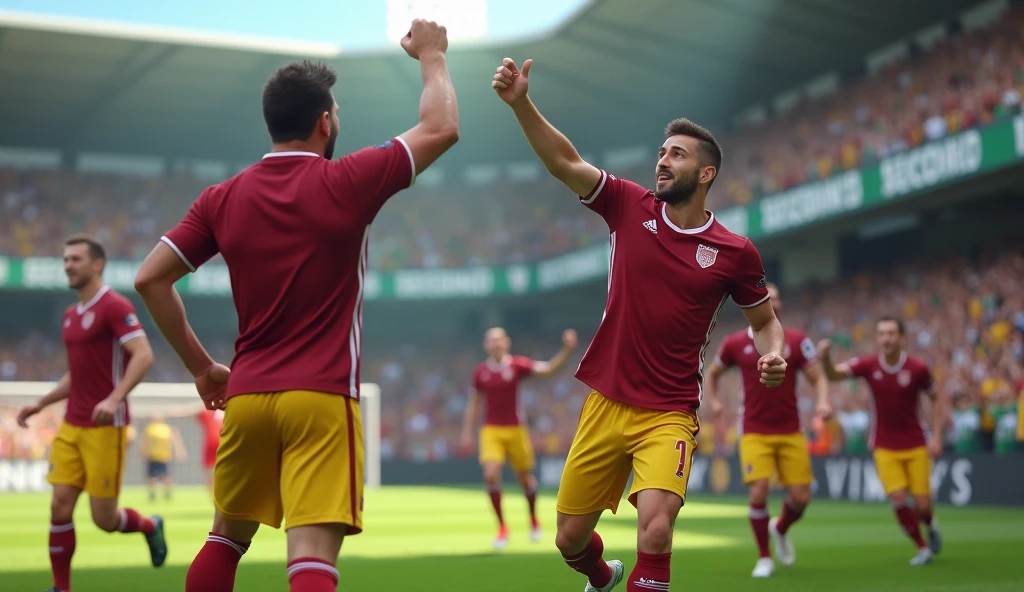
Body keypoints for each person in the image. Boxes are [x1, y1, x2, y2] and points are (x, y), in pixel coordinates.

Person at [133, 20, 459, 592]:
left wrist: (203, 368)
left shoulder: (221, 197)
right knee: (309, 557)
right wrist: (432, 55)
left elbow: (150, 280)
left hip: (249, 398)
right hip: (321, 395)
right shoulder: (347, 180)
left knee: (224, 541)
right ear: (325, 121)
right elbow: (442, 126)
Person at [492, 58, 788, 592]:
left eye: (677, 154)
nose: (662, 161)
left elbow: (765, 321)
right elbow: (564, 161)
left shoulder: (734, 252)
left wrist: (774, 352)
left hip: (670, 411)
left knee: (655, 531)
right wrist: (521, 104)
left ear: (706, 174)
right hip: (605, 400)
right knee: (568, 540)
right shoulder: (629, 206)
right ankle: (603, 577)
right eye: (661, 152)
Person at [16, 235, 165, 592]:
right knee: (59, 506)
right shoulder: (71, 316)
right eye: (65, 259)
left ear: (96, 264)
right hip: (72, 425)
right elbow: (76, 374)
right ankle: (60, 587)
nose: (68, 265)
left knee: (105, 519)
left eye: (75, 259)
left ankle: (149, 525)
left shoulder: (114, 305)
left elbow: (143, 355)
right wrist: (42, 402)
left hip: (105, 427)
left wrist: (114, 399)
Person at [704, 282, 831, 578]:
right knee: (759, 490)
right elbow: (713, 373)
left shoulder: (797, 341)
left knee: (801, 497)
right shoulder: (735, 343)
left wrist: (823, 403)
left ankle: (780, 528)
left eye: (776, 298)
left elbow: (818, 378)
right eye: (766, 298)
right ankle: (764, 557)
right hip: (754, 431)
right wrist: (714, 401)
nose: (772, 302)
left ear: (781, 306)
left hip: (790, 431)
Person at [818, 317, 945, 566]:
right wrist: (825, 358)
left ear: (902, 338)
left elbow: (936, 398)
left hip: (916, 443)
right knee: (898, 498)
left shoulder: (918, 368)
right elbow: (833, 375)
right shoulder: (869, 365)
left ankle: (931, 524)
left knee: (923, 505)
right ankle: (922, 548)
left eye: (891, 333)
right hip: (884, 446)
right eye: (882, 333)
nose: (886, 338)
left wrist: (937, 436)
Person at [460, 327, 578, 549]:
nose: (495, 344)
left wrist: (567, 350)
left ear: (507, 342)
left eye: (498, 340)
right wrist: (466, 433)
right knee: (491, 475)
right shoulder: (480, 372)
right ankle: (503, 527)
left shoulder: (517, 365)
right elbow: (474, 404)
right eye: (491, 340)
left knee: (525, 479)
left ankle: (533, 519)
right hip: (491, 430)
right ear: (486, 345)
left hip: (516, 429)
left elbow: (549, 369)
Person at [140, 413, 187, 501]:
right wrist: (143, 451)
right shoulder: (150, 428)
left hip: (163, 457)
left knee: (166, 476)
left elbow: (175, 441)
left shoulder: (166, 429)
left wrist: (179, 451)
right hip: (153, 456)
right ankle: (152, 494)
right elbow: (145, 441)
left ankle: (167, 493)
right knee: (152, 477)